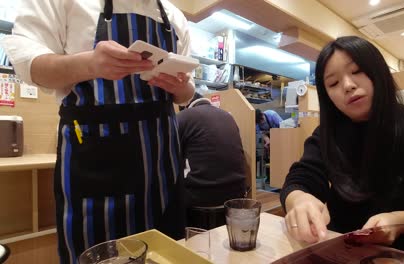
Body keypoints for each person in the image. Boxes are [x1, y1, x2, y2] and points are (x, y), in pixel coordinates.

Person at [2, 0, 194, 262]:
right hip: (96, 159)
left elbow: (186, 94)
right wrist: (90, 65)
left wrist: (179, 86)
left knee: (167, 255)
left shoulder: (173, 15)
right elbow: (28, 64)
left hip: (163, 165)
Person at [280, 36, 404, 261]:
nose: (348, 85)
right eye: (333, 83)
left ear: (378, 71)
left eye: (357, 71)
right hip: (345, 253)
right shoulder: (326, 135)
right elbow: (301, 178)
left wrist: (401, 221)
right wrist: (299, 199)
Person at [177, 93, 246, 229]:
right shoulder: (229, 117)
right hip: (237, 195)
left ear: (185, 105)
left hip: (200, 200)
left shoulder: (183, 117)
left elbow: (170, 158)